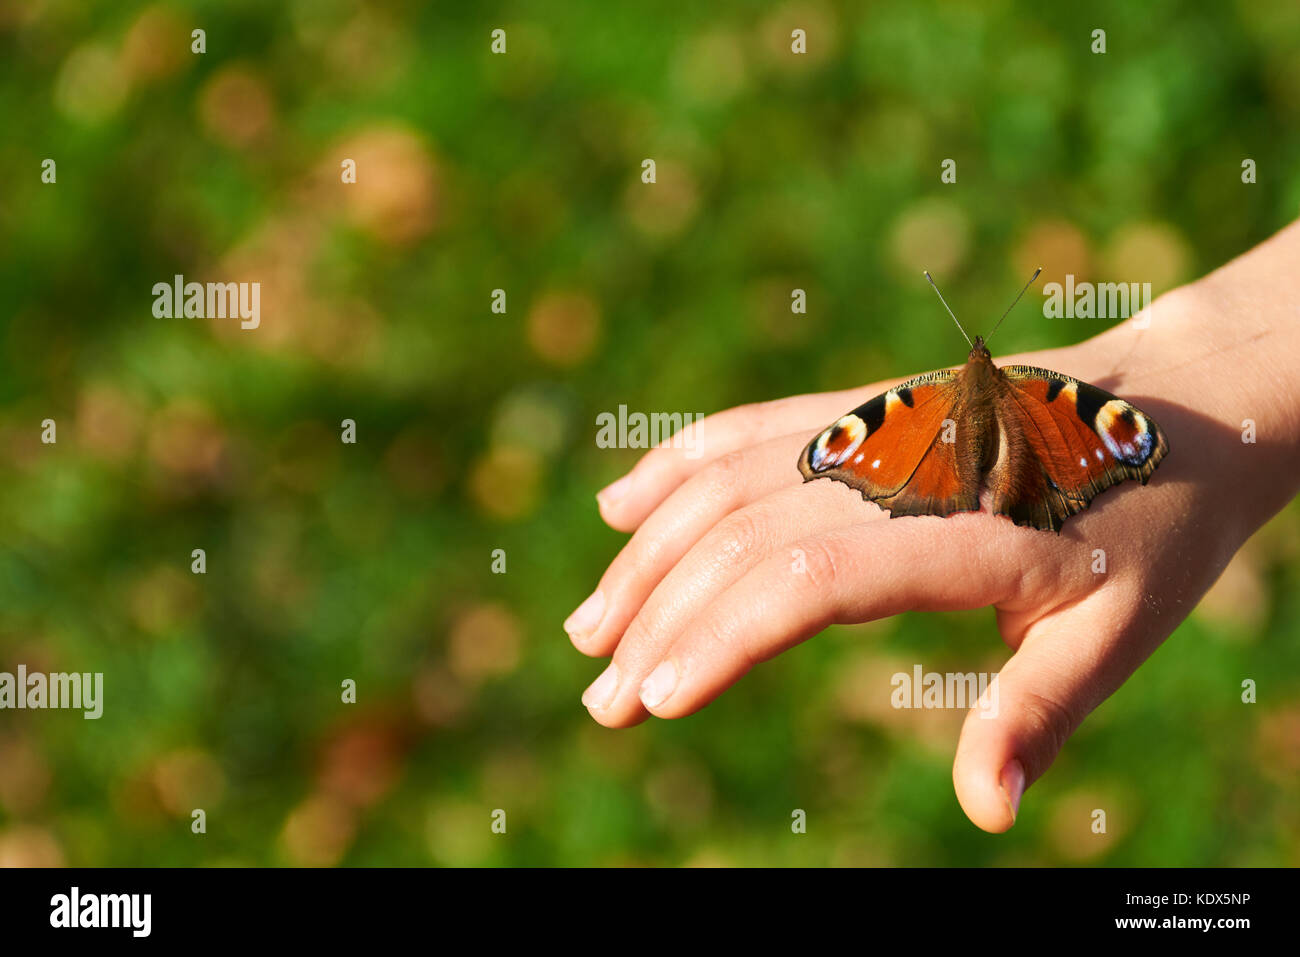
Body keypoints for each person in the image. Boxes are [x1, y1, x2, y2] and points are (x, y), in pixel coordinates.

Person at [564, 219, 1300, 833]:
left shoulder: (927, 398)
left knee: (946, 441)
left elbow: (1126, 434)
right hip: (1027, 453)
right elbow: (1112, 428)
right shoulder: (1044, 397)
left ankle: (960, 483)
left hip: (963, 455)